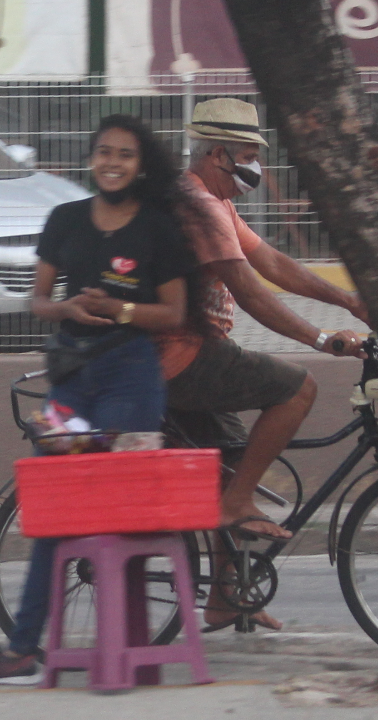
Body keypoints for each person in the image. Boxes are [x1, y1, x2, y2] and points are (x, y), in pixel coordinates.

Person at [157, 97, 368, 632]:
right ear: (218, 154)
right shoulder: (199, 206)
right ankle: (238, 502)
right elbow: (251, 291)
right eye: (249, 156)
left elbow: (272, 262)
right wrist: (321, 339)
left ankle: (226, 597)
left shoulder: (213, 201)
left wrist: (347, 300)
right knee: (298, 388)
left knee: (231, 466)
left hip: (189, 356)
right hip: (184, 354)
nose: (255, 168)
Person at [0, 114, 195, 684]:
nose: (113, 163)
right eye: (105, 152)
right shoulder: (64, 218)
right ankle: (24, 648)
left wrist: (120, 310)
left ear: (140, 166)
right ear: (92, 159)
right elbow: (39, 301)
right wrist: (67, 308)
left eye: (125, 155)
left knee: (120, 515)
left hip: (132, 380)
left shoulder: (158, 227)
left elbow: (174, 313)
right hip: (71, 381)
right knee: (50, 509)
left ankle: (126, 650)